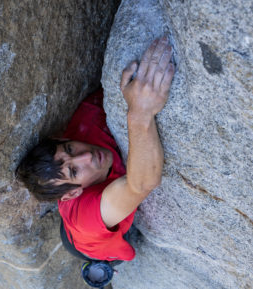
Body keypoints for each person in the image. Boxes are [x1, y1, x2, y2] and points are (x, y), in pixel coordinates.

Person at [17, 36, 175, 262]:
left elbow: (124, 89)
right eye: (74, 171)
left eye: (70, 149)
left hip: (78, 220)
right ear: (72, 193)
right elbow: (142, 184)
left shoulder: (88, 117)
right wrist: (140, 113)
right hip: (87, 241)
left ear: (62, 138)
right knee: (105, 255)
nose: (86, 156)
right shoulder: (87, 218)